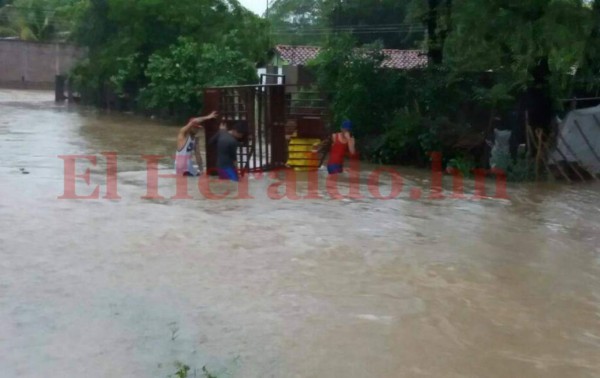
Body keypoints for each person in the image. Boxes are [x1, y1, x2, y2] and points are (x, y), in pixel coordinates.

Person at [175, 111, 218, 176]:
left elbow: (198, 155)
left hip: (189, 166)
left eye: (198, 128)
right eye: (195, 127)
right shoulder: (183, 134)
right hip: (181, 165)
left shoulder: (195, 140)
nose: (196, 129)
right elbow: (194, 121)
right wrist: (208, 117)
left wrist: (201, 170)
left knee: (198, 176)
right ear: (190, 127)